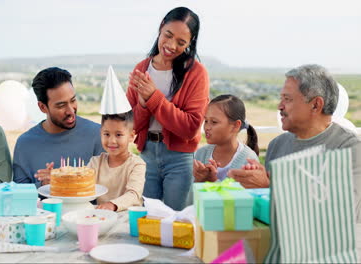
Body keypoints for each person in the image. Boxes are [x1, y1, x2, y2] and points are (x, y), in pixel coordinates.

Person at [228, 65, 361, 218]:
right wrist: (256, 185)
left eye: (287, 99)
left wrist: (270, 187)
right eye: (281, 98)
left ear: (316, 105)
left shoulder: (351, 149)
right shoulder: (277, 145)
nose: (280, 106)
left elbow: (340, 213)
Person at [126, 7, 209, 210]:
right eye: (168, 36)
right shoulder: (142, 68)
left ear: (191, 42)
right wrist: (144, 105)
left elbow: (190, 128)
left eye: (181, 42)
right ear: (161, 26)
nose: (171, 45)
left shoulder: (196, 73)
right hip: (146, 155)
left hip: (180, 160)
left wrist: (153, 98)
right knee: (146, 220)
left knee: (177, 223)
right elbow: (129, 125)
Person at [36, 111, 146, 212]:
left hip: (128, 217)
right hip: (102, 215)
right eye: (106, 134)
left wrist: (112, 205)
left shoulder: (136, 164)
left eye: (118, 135)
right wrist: (58, 178)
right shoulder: (96, 162)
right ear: (101, 133)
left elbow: (133, 194)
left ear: (131, 136)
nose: (112, 141)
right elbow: (79, 183)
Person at [13, 67, 104, 187]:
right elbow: (18, 193)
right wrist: (43, 184)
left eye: (73, 100)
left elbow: (111, 185)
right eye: (61, 105)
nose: (71, 111)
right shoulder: (24, 144)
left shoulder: (98, 135)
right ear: (42, 107)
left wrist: (67, 180)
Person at [193, 94, 259, 183]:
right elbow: (191, 191)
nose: (207, 127)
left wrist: (212, 180)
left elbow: (244, 195)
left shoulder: (249, 160)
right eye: (206, 121)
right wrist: (198, 180)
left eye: (214, 122)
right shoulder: (201, 154)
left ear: (236, 125)